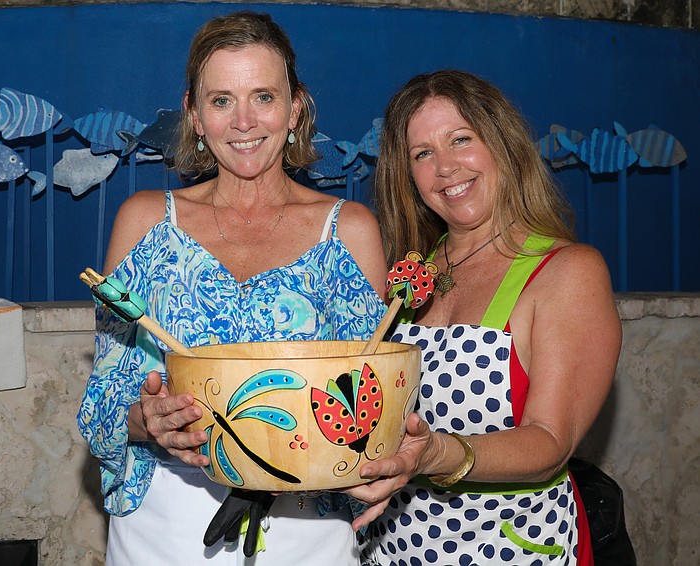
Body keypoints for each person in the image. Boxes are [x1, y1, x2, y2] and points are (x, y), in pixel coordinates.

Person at [77, 11, 388, 565]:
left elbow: (371, 401)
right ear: (195, 116)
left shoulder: (351, 232)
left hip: (305, 524)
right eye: (221, 101)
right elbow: (104, 400)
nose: (243, 121)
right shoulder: (145, 223)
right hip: (167, 522)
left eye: (263, 96)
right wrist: (145, 421)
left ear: (295, 108)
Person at [347, 70, 622, 566]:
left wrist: (436, 454)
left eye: (461, 140)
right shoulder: (410, 279)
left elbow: (551, 442)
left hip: (506, 548)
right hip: (392, 548)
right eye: (422, 154)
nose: (445, 167)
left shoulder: (568, 272)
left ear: (503, 146)